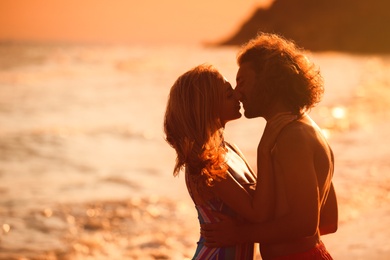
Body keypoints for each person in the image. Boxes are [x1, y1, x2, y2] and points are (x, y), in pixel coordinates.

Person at [201, 33, 338, 259]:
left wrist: (239, 234)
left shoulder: (292, 138)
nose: (237, 93)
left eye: (242, 82)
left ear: (267, 79)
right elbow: (328, 221)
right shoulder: (307, 128)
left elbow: (305, 224)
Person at [164, 64, 295, 259]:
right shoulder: (204, 164)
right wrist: (265, 149)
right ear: (207, 107)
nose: (238, 96)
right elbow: (258, 213)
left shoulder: (231, 150)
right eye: (228, 95)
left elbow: (261, 196)